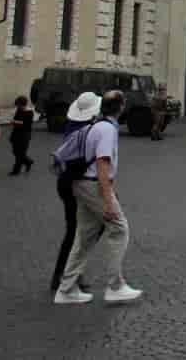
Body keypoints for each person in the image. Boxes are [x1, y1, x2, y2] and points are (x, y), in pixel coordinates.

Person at [55, 90, 142, 305]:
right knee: (119, 228)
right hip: (94, 185)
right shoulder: (107, 130)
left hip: (80, 184)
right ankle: (115, 285)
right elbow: (103, 165)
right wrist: (109, 200)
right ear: (121, 108)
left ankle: (66, 289)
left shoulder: (94, 126)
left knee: (84, 236)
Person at [51, 92, 103, 293]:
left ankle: (66, 273)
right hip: (78, 184)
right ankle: (68, 272)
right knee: (81, 230)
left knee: (76, 230)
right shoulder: (87, 131)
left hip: (66, 183)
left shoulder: (72, 126)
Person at [8, 95, 34, 175]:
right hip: (16, 133)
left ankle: (16, 170)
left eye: (19, 105)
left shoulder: (30, 112)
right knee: (15, 151)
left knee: (20, 153)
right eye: (17, 105)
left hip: (25, 134)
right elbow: (16, 119)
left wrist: (14, 122)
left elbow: (26, 124)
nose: (18, 107)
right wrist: (13, 122)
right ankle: (28, 161)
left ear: (23, 104)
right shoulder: (19, 110)